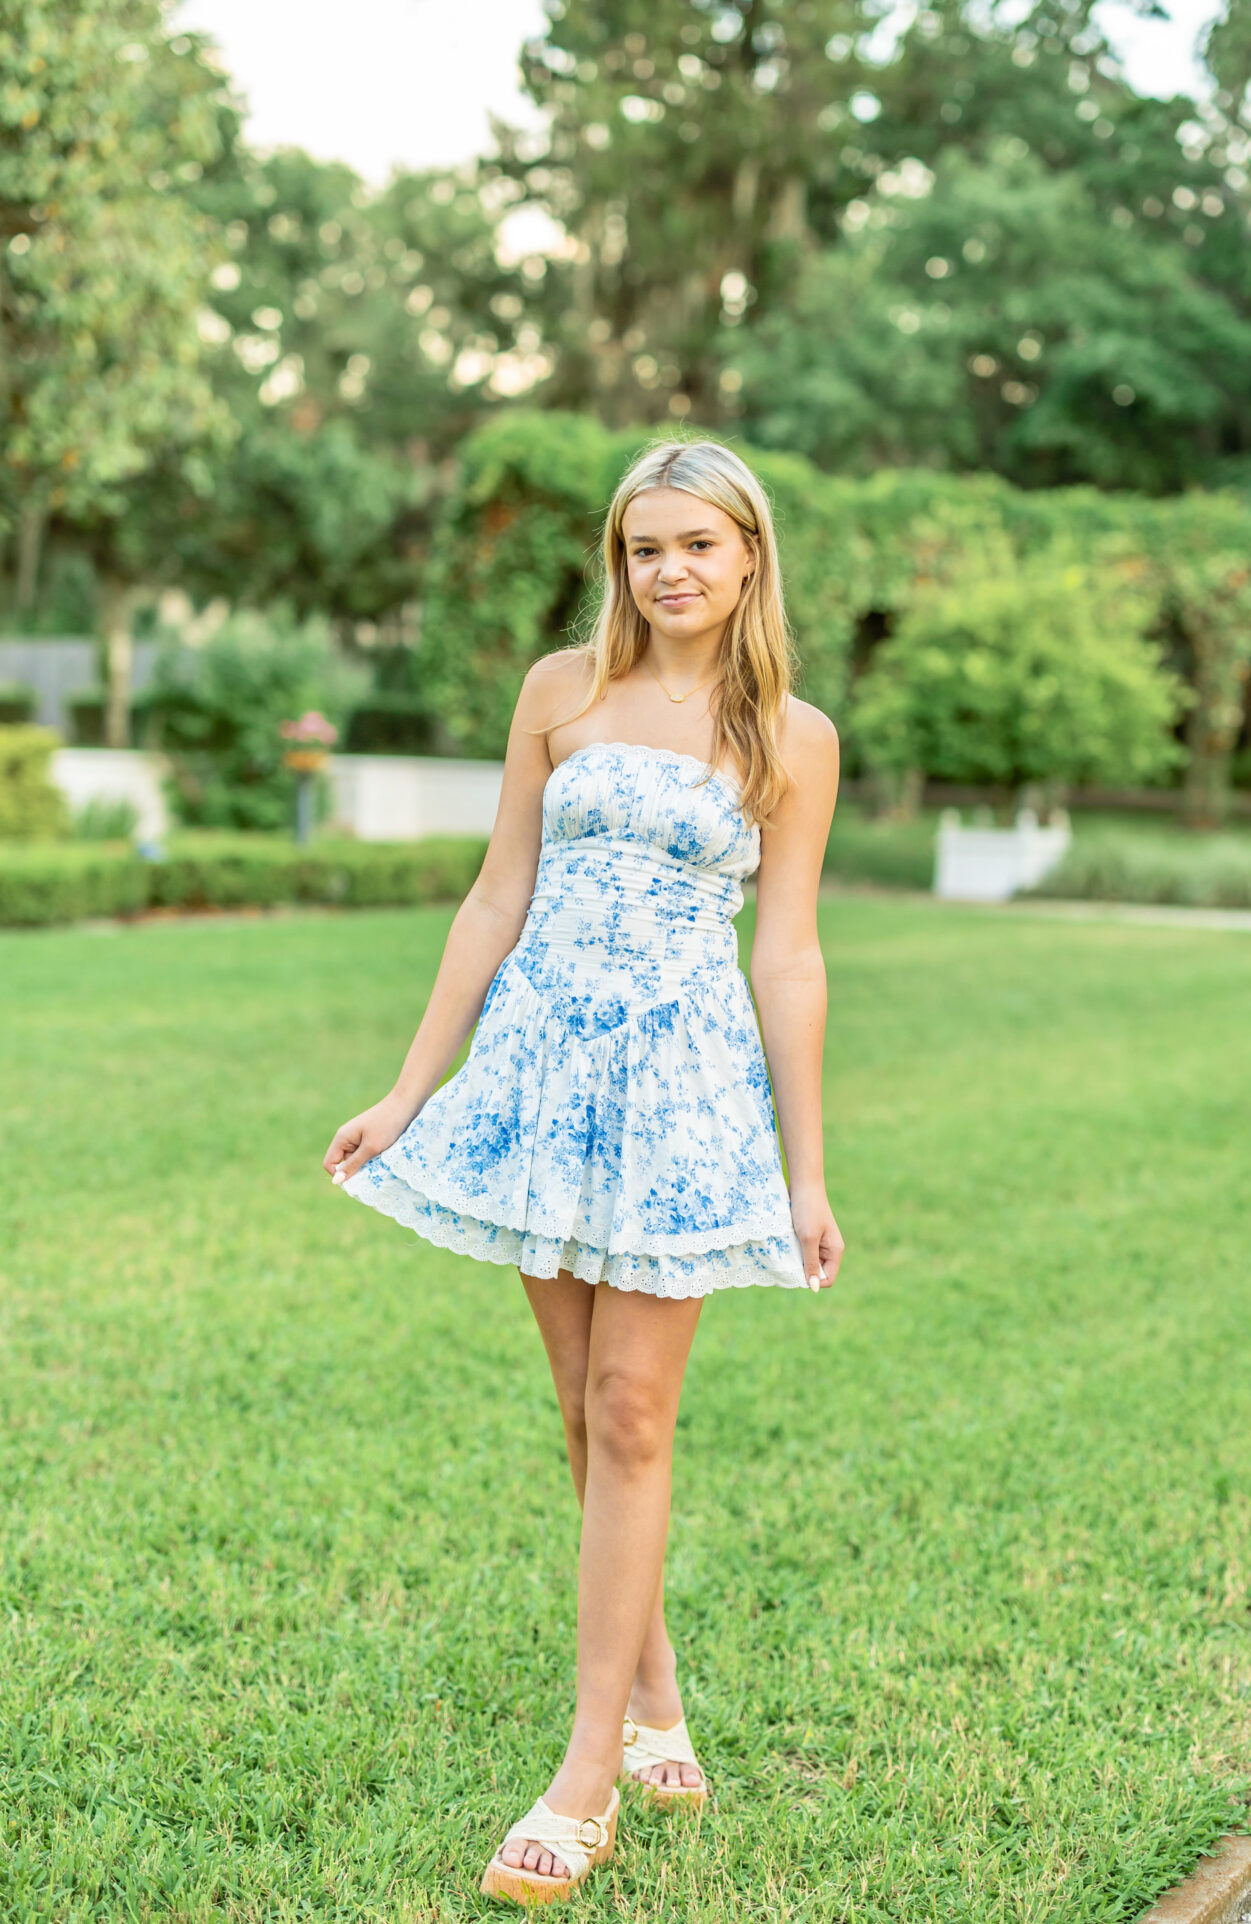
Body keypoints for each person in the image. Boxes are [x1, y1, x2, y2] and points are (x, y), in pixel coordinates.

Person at [323, 437, 844, 1905]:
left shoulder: (790, 735)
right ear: (619, 559)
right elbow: (498, 895)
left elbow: (790, 954)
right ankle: (654, 1693)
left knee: (632, 1407)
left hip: (683, 1096)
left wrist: (807, 1173)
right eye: (644, 546)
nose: (669, 570)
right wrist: (411, 1086)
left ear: (749, 556)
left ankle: (586, 1777)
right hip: (543, 1078)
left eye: (698, 544)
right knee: (579, 1405)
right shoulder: (561, 693)